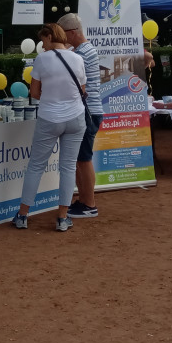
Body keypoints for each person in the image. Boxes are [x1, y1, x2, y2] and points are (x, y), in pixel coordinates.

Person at [12, 23, 86, 231]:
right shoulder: (78, 58)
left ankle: (23, 215)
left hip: (50, 117)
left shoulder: (42, 59)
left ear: (50, 36)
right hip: (76, 117)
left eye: (42, 40)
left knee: (36, 165)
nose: (42, 45)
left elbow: (34, 93)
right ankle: (63, 218)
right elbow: (82, 89)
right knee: (68, 167)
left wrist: (52, 99)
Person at [57, 13, 103, 218]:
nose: (61, 39)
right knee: (79, 158)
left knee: (84, 159)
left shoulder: (81, 54)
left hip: (87, 111)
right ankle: (83, 200)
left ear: (73, 32)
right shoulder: (82, 50)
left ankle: (89, 203)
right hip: (88, 110)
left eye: (62, 34)